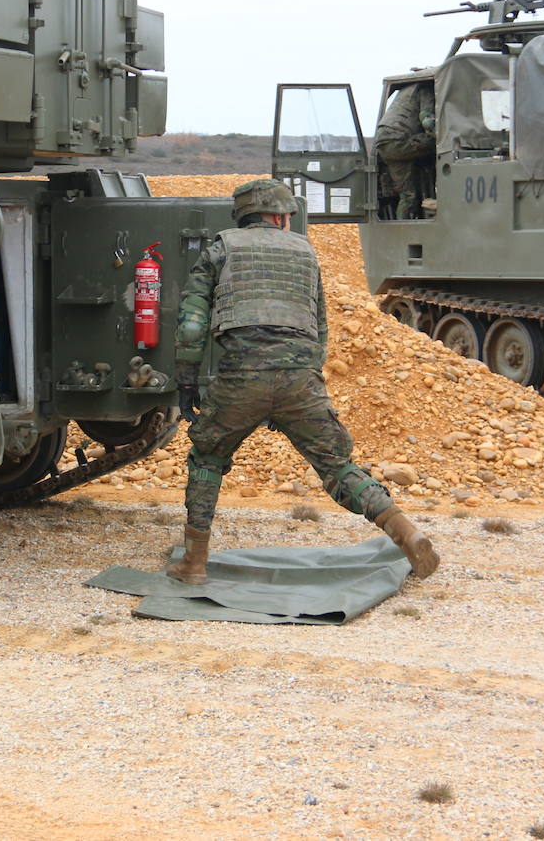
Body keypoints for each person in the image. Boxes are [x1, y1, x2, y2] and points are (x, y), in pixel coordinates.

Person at [169, 178, 439, 585]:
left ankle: (194, 564)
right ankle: (407, 534)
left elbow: (191, 326)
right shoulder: (306, 252)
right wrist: (303, 382)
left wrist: (187, 381)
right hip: (301, 379)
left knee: (207, 457)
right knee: (337, 466)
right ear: (278, 216)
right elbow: (321, 329)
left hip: (240, 378)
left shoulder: (221, 248)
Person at [373, 82, 436, 220]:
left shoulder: (407, 89)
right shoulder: (425, 88)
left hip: (384, 144)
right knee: (438, 143)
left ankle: (403, 229)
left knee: (408, 195)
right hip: (399, 141)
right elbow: (428, 122)